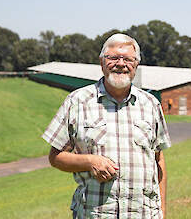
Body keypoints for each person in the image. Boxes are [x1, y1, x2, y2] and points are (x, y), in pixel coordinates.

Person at [42, 34, 171, 218]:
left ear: (136, 65)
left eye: (128, 59)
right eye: (113, 58)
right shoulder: (77, 101)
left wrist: (162, 212)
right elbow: (55, 157)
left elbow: (158, 160)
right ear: (101, 62)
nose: (120, 63)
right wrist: (90, 161)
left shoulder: (151, 104)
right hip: (94, 214)